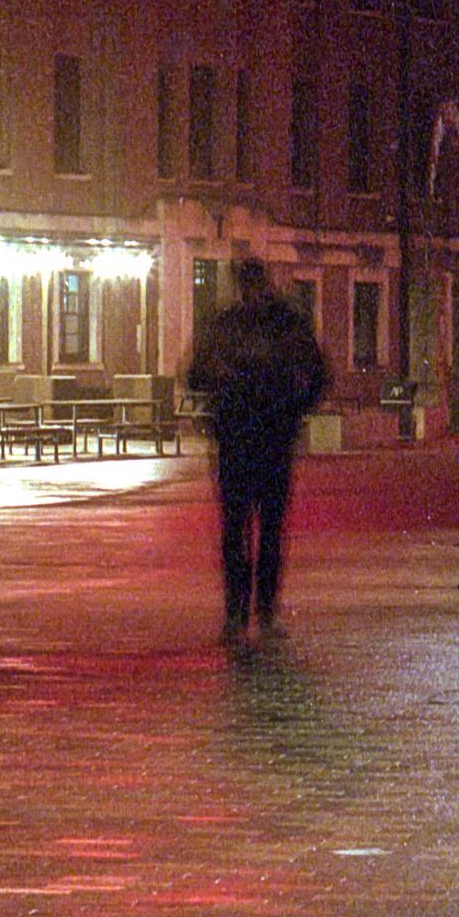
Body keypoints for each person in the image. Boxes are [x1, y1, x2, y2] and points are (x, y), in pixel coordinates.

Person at [184, 259, 329, 650]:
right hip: (253, 438)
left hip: (255, 438)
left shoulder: (246, 325)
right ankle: (250, 614)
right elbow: (196, 373)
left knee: (255, 531)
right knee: (249, 531)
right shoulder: (274, 324)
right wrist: (296, 407)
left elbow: (316, 374)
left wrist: (293, 406)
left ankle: (252, 614)